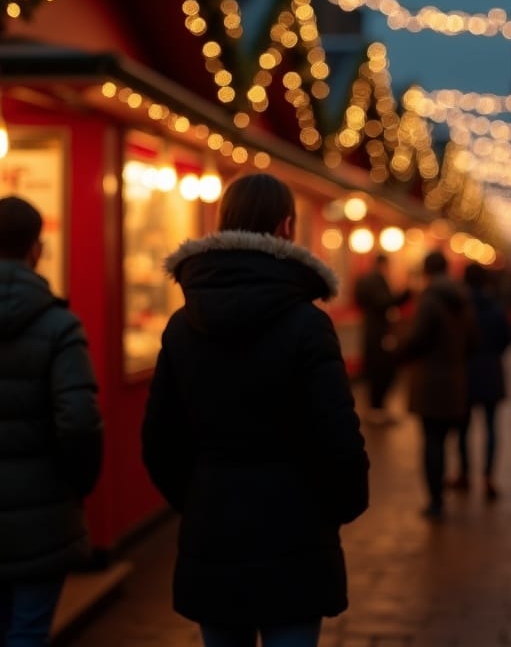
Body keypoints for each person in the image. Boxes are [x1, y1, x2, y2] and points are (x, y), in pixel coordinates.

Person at [142, 174, 370, 647]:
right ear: (287, 227)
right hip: (296, 532)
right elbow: (338, 438)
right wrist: (340, 507)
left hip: (213, 532)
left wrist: (200, 497)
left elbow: (159, 439)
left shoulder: (183, 326)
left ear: (222, 223)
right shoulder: (309, 325)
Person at [0, 196, 104, 646]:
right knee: (27, 631)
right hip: (43, 515)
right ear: (36, 249)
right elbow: (79, 422)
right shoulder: (59, 325)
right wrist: (73, 486)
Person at [396, 250, 474, 520]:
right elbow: (473, 339)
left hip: (430, 380)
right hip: (455, 379)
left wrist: (398, 349)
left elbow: (418, 339)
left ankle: (435, 500)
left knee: (432, 441)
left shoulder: (429, 299)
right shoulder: (462, 299)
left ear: (427, 271)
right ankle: (454, 483)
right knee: (447, 437)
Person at [450, 262, 511, 501]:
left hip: (465, 371)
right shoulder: (495, 307)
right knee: (490, 427)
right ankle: (488, 477)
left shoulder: (460, 307)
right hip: (491, 372)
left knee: (463, 428)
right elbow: (506, 339)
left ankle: (464, 473)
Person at [354, 253, 410, 423]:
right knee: (381, 370)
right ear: (383, 264)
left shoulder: (366, 280)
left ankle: (375, 408)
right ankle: (377, 409)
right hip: (379, 333)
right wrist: (405, 294)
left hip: (371, 331)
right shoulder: (376, 280)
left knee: (377, 370)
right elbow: (385, 302)